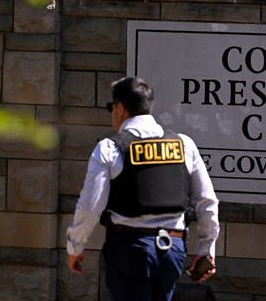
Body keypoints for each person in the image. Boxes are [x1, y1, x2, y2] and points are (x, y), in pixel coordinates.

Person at [66, 77, 220, 300]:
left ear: (120, 108)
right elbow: (207, 202)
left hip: (131, 250)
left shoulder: (110, 148)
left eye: (112, 108)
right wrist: (206, 250)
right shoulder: (184, 144)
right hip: (173, 249)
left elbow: (91, 206)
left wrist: (75, 246)